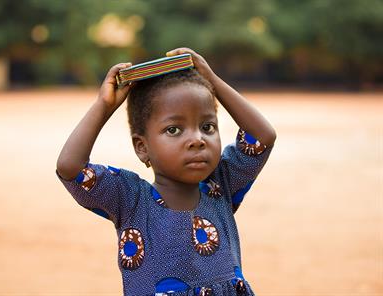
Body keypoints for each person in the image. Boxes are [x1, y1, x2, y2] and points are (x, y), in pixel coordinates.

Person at [56, 47, 276, 295]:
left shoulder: (221, 185)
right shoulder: (130, 199)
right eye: (174, 130)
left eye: (207, 126)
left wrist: (212, 81)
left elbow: (262, 137)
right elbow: (70, 168)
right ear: (142, 147)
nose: (197, 139)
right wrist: (103, 106)